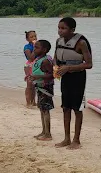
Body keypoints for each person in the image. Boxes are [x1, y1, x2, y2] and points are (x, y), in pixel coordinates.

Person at [54, 17, 93, 150]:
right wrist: (56, 67)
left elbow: (89, 64)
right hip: (65, 77)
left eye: (63, 28)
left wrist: (69, 68)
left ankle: (76, 140)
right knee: (65, 107)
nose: (60, 31)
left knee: (77, 108)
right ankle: (66, 138)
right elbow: (56, 57)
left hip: (78, 78)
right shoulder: (59, 41)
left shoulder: (81, 43)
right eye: (59, 28)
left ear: (72, 29)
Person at [31, 40, 54, 141]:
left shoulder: (45, 61)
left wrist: (37, 76)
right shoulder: (39, 59)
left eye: (37, 48)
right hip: (39, 87)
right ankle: (44, 131)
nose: (34, 49)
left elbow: (51, 75)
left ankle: (48, 134)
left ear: (44, 50)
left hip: (45, 88)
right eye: (34, 47)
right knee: (41, 109)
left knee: (45, 110)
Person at [23, 30, 37, 107]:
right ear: (27, 39)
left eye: (35, 36)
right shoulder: (27, 47)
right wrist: (35, 48)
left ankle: (33, 101)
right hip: (29, 66)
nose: (34, 38)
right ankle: (28, 102)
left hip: (36, 65)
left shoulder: (38, 45)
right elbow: (30, 58)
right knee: (29, 84)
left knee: (34, 85)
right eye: (31, 37)